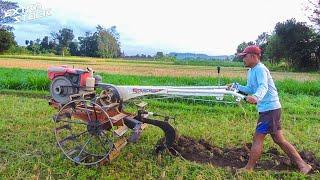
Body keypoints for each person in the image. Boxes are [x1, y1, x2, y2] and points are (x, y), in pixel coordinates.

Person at [229, 45, 312, 174]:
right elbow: (251, 88)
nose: (243, 59)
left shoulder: (261, 69)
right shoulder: (251, 71)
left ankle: (248, 168)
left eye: (244, 56)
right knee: (279, 139)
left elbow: (263, 87)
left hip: (270, 110)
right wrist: (236, 86)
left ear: (253, 56)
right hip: (269, 109)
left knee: (258, 138)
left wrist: (256, 97)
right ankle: (303, 165)